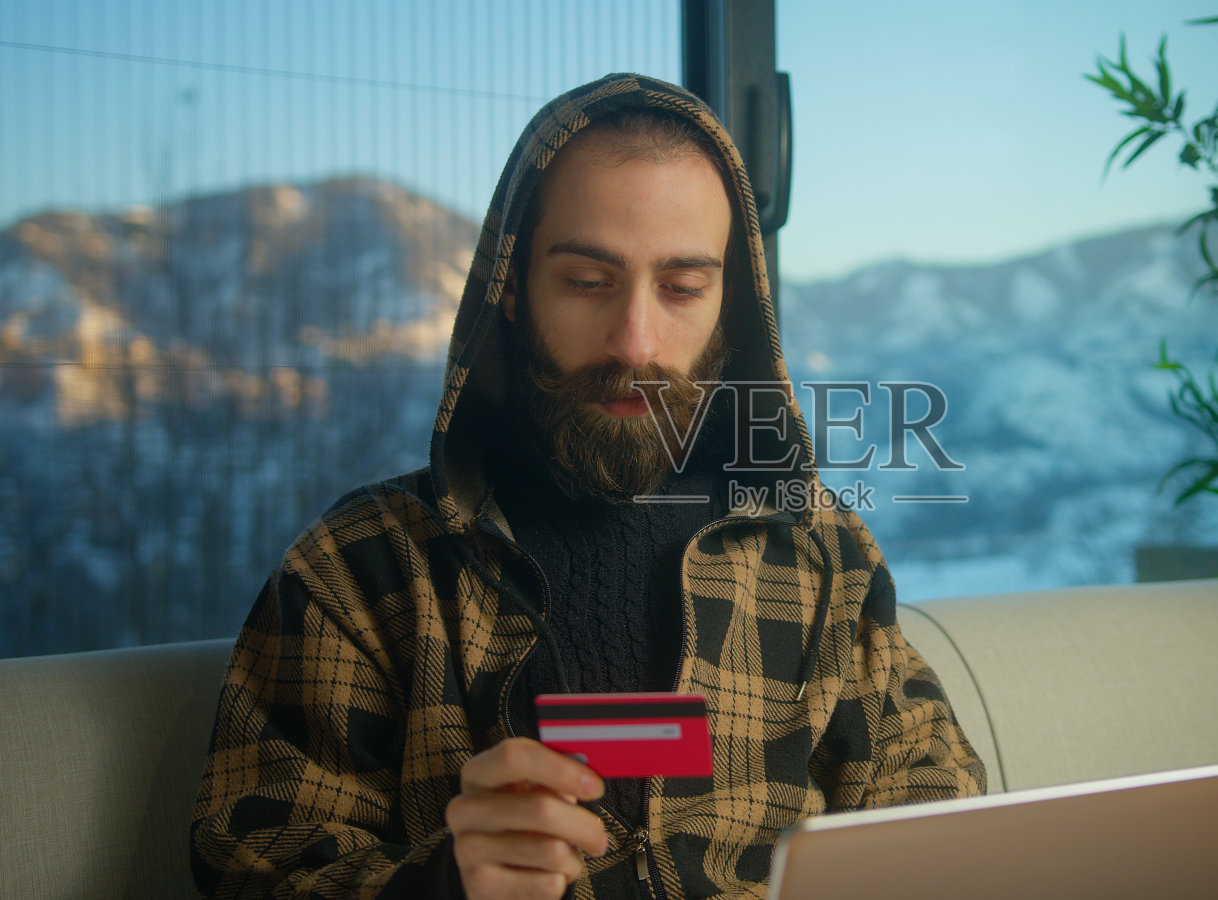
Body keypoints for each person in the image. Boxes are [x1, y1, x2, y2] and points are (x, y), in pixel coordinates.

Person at [191, 72, 986, 900]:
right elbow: (252, 867)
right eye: (585, 281)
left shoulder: (819, 553)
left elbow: (939, 804)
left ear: (730, 307)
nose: (636, 341)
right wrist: (442, 885)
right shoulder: (360, 572)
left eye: (682, 288)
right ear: (509, 287)